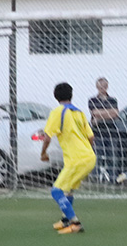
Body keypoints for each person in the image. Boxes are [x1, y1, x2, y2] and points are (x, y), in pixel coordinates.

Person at [40, 82, 97, 234]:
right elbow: (91, 137)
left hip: (77, 159)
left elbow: (47, 137)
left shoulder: (58, 112)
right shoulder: (79, 113)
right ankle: (65, 220)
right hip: (89, 157)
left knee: (56, 191)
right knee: (69, 190)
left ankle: (75, 222)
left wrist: (43, 153)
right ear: (71, 95)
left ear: (56, 97)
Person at [87, 77, 120, 182]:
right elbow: (94, 112)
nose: (103, 88)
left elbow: (115, 113)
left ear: (107, 86)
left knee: (112, 158)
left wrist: (100, 115)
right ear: (97, 87)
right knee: (96, 157)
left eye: (105, 86)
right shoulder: (92, 100)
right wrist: (108, 113)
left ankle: (113, 180)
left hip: (111, 133)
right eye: (101, 86)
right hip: (97, 133)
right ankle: (95, 180)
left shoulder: (113, 100)